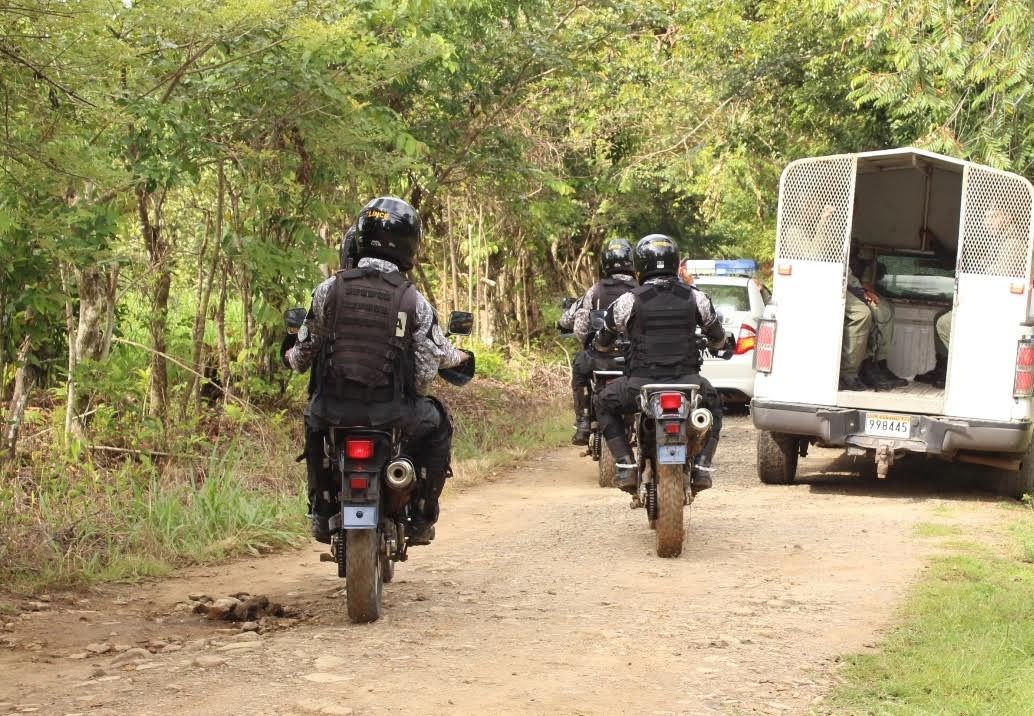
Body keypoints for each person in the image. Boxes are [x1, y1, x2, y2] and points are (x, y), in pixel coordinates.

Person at [283, 196, 472, 545]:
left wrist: (290, 356)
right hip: (392, 413)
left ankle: (321, 512)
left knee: (312, 422)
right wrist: (452, 362)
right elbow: (426, 369)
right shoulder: (413, 300)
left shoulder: (328, 290)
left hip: (334, 410)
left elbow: (303, 353)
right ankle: (421, 517)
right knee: (438, 425)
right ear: (409, 245)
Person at [594, 234, 730, 494]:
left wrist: (601, 346)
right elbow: (717, 336)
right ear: (675, 261)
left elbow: (604, 337)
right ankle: (702, 467)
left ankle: (625, 465)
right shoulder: (696, 298)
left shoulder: (629, 300)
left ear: (640, 265)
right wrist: (721, 346)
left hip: (640, 385)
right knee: (714, 405)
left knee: (603, 402)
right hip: (689, 383)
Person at [916, 207, 1024, 387]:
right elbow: (960, 261)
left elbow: (994, 277)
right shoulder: (999, 241)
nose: (986, 222)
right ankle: (943, 368)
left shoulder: (1013, 243)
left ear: (1009, 216)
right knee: (940, 317)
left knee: (944, 323)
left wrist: (978, 264)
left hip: (996, 308)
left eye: (993, 216)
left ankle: (963, 370)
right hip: (986, 303)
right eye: (986, 217)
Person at [558, 238, 638, 445]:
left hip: (601, 357)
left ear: (604, 262)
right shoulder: (640, 291)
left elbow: (581, 327)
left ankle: (583, 421)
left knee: (579, 368)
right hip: (634, 359)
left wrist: (590, 345)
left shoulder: (596, 290)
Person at [843, 241, 907, 391]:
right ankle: (861, 368)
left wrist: (865, 288)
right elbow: (847, 274)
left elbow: (858, 274)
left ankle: (878, 362)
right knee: (866, 314)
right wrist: (862, 293)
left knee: (886, 309)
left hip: (854, 286)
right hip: (845, 286)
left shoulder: (856, 247)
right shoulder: (835, 234)